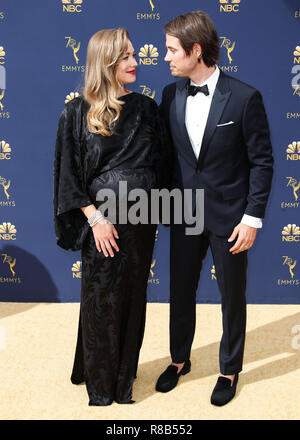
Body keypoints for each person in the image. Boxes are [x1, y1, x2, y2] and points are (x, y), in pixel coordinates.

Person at [156, 11, 273, 406]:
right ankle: (178, 360)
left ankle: (229, 369)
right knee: (180, 292)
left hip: (230, 217)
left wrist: (252, 218)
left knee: (231, 296)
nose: (165, 57)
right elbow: (168, 158)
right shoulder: (170, 95)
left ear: (196, 50)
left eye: (172, 50)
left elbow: (262, 161)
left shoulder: (244, 97)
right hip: (184, 213)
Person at [53, 28, 171, 406]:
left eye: (134, 55)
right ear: (106, 62)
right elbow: (68, 175)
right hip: (101, 225)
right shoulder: (76, 111)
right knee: (101, 301)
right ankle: (101, 387)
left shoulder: (147, 108)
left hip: (142, 223)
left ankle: (124, 380)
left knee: (134, 299)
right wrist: (95, 219)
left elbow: (163, 163)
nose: (135, 62)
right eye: (126, 57)